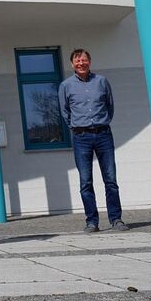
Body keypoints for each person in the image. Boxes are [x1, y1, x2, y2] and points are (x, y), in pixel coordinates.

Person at [58, 48, 129, 233]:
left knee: (110, 179)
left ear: (89, 62)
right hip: (81, 137)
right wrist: (76, 127)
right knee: (85, 182)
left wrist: (102, 122)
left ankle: (116, 219)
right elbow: (65, 112)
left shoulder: (101, 81)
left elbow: (110, 106)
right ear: (72, 64)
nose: (81, 63)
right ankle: (92, 221)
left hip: (103, 134)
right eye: (77, 61)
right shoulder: (66, 85)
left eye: (84, 60)